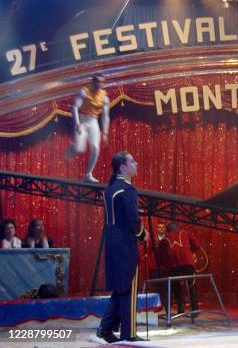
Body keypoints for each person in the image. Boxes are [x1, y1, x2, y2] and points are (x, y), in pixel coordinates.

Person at [96, 152, 148, 343]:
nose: (136, 163)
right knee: (129, 287)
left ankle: (106, 328)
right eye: (132, 161)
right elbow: (133, 220)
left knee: (121, 287)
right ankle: (129, 333)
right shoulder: (127, 189)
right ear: (123, 168)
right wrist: (143, 234)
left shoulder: (109, 189)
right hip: (125, 245)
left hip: (111, 243)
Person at [65, 74, 110, 183]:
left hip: (93, 121)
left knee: (95, 148)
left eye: (101, 82)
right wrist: (77, 124)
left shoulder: (104, 97)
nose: (99, 84)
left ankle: (88, 175)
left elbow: (105, 116)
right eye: (97, 81)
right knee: (80, 149)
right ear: (93, 82)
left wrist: (105, 133)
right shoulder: (84, 92)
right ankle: (72, 149)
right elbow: (75, 107)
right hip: (82, 120)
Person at [158, 222, 201, 315]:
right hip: (188, 264)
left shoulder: (164, 240)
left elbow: (160, 257)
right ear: (177, 228)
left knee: (176, 286)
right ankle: (195, 310)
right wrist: (190, 252)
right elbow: (197, 245)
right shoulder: (185, 233)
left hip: (173, 266)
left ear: (167, 231)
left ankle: (181, 308)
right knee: (191, 285)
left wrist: (166, 265)